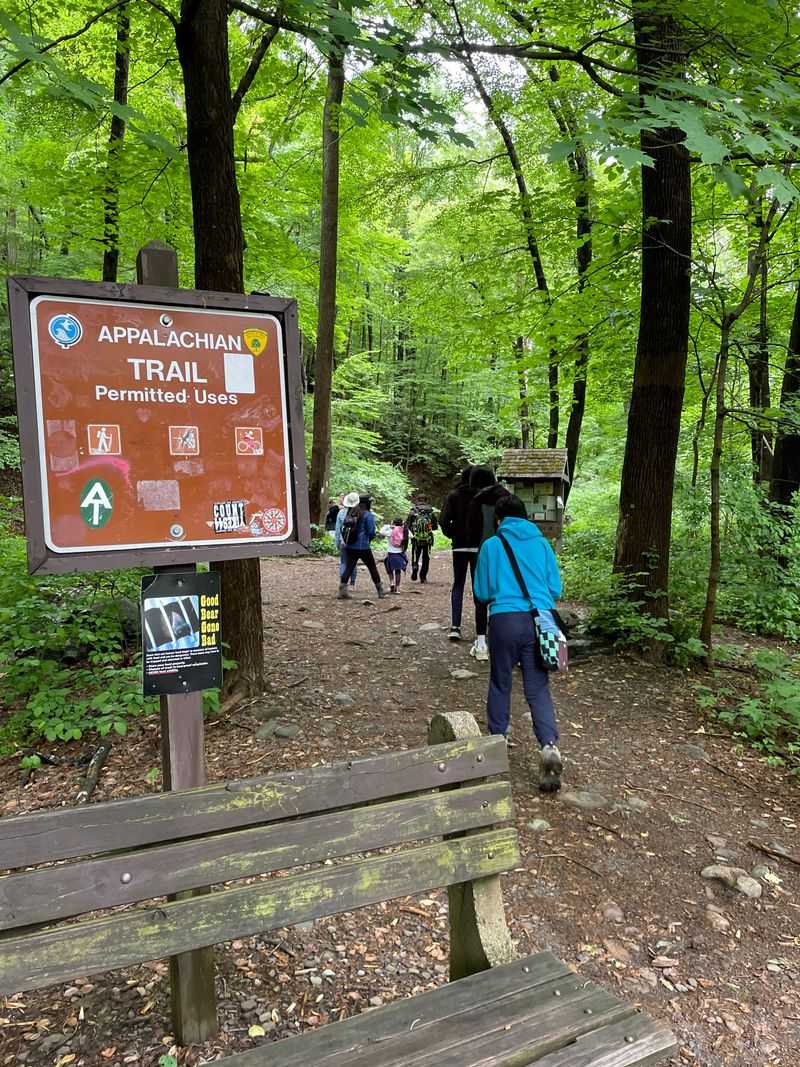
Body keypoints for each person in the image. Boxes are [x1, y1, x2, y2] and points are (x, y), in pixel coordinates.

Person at [474, 493, 563, 792]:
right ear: (526, 517)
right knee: (537, 688)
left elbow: (482, 591)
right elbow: (555, 588)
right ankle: (549, 746)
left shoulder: (491, 545)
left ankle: (497, 743)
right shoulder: (541, 544)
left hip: (504, 620)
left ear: (499, 520)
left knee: (501, 682)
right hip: (540, 622)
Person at [440, 466, 483, 648]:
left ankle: (455, 626)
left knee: (458, 584)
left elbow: (443, 520)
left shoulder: (453, 495)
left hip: (458, 546)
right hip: (478, 546)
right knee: (478, 586)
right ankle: (481, 630)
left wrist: (453, 534)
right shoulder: (482, 496)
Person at [338, 494, 386, 599]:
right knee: (372, 567)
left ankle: (342, 591)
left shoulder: (352, 512)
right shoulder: (368, 515)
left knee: (349, 568)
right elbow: (371, 531)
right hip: (363, 547)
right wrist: (369, 539)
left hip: (350, 546)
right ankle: (380, 591)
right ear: (367, 503)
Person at [406, 498, 438, 583]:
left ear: (417, 500)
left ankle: (415, 567)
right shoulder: (430, 512)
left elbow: (407, 525)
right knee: (426, 558)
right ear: (426, 500)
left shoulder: (413, 512)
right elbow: (435, 527)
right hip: (428, 539)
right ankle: (423, 577)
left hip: (416, 539)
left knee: (415, 555)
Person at [335, 492, 360, 589]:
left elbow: (338, 530)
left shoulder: (341, 513)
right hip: (355, 542)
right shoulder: (359, 514)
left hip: (343, 542)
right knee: (353, 563)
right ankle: (352, 583)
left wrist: (338, 542)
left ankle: (343, 583)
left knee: (343, 562)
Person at [380, 516, 409, 593]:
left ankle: (392, 582)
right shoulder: (404, 531)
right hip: (400, 553)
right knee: (398, 571)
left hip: (391, 553)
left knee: (389, 569)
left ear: (393, 523)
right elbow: (411, 535)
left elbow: (381, 531)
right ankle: (398, 588)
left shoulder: (390, 532)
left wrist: (388, 526)